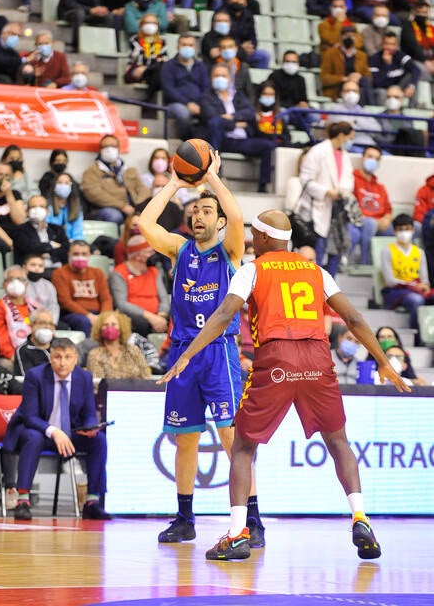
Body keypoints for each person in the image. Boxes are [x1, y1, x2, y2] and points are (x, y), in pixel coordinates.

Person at [160, 209, 410, 561]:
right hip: (318, 359)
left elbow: (222, 315)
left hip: (277, 359)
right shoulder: (316, 270)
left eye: (252, 237)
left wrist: (187, 355)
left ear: (261, 239)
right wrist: (383, 360)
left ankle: (236, 534)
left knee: (243, 448)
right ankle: (360, 516)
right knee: (338, 441)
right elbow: (353, 318)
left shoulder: (252, 269)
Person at [139, 153, 266, 548]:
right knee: (185, 440)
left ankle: (254, 519)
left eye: (207, 211)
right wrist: (176, 185)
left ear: (220, 221)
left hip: (219, 352)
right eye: (195, 211)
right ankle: (184, 517)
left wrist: (211, 178)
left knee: (232, 440)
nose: (198, 216)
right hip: (182, 354)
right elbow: (144, 223)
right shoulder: (180, 250)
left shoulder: (229, 252)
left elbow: (238, 217)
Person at [3, 337, 112, 521]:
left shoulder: (83, 377)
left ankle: (92, 502)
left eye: (68, 357)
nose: (62, 362)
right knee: (33, 437)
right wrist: (54, 431)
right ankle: (23, 500)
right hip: (40, 430)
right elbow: (30, 417)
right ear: (50, 358)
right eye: (57, 357)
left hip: (69, 433)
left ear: (75, 359)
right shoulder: (35, 376)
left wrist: (90, 427)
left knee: (99, 439)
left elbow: (89, 413)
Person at [200, 63, 275, 193]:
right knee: (215, 125)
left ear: (229, 78)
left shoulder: (238, 95)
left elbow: (250, 112)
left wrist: (231, 116)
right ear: (211, 78)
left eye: (223, 75)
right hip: (222, 140)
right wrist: (237, 123)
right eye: (217, 75)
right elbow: (212, 119)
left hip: (243, 140)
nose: (220, 78)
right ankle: (217, 174)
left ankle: (264, 186)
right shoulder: (206, 97)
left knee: (267, 145)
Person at [298, 121, 355, 277]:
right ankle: (313, 282)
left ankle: (330, 288)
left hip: (338, 209)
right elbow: (306, 179)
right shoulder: (318, 151)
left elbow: (349, 179)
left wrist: (342, 191)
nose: (351, 141)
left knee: (336, 248)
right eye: (350, 137)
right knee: (319, 247)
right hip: (318, 206)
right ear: (341, 135)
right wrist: (326, 192)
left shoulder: (344, 155)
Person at [380, 213, 434, 343]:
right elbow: (390, 280)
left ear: (413, 230)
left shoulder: (419, 252)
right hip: (396, 291)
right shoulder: (387, 251)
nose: (404, 232)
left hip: (416, 288)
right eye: (400, 229)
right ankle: (417, 337)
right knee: (417, 300)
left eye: (407, 229)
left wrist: (425, 285)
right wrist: (414, 286)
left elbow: (425, 279)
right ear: (394, 231)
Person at [81, 134, 150, 224]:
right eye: (106, 146)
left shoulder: (129, 170)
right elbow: (94, 194)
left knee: (150, 212)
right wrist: (122, 206)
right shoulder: (92, 171)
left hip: (133, 207)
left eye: (113, 146)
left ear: (118, 149)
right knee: (114, 216)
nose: (109, 149)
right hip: (107, 208)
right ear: (100, 150)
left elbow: (143, 189)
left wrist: (138, 206)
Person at [110, 234, 170, 337]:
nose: (153, 255)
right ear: (137, 255)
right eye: (149, 252)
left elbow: (164, 297)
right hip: (136, 317)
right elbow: (122, 304)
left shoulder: (154, 272)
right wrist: (150, 317)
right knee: (140, 323)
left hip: (158, 316)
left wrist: (162, 315)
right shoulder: (119, 273)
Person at [52, 240, 113, 336]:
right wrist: (88, 316)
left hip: (98, 312)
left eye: (84, 254)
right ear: (69, 255)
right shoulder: (59, 273)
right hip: (73, 314)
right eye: (76, 254)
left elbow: (106, 299)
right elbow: (65, 301)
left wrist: (103, 317)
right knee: (84, 322)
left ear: (89, 255)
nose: (80, 257)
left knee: (116, 320)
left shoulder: (98, 272)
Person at [161, 33, 210, 140]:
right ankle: (186, 142)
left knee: (212, 113)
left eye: (190, 45)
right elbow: (169, 90)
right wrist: (187, 104)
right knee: (183, 114)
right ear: (178, 47)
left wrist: (200, 104)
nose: (187, 48)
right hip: (175, 104)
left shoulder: (201, 66)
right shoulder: (168, 66)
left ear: (195, 47)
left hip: (199, 104)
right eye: (184, 45)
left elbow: (206, 88)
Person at [349, 146, 393, 265]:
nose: (372, 160)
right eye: (370, 156)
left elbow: (388, 209)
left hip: (378, 223)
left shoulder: (380, 187)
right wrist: (374, 221)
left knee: (398, 228)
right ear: (362, 158)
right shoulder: (351, 179)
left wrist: (387, 219)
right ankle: (365, 264)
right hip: (359, 220)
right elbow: (350, 205)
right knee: (370, 223)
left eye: (376, 158)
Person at [0, 265, 37, 363]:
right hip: (11, 357)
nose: (15, 283)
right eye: (11, 279)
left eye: (19, 279)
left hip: (36, 353)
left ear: (26, 284)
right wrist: (16, 357)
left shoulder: (33, 307)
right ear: (4, 284)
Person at [86, 309, 151, 383]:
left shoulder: (134, 350)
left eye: (113, 324)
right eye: (105, 325)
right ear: (100, 329)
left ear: (121, 328)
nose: (109, 328)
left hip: (134, 392)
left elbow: (146, 377)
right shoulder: (95, 354)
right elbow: (97, 383)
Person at [13, 193, 69, 268]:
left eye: (41, 206)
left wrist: (48, 254)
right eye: (33, 207)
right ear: (27, 212)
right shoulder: (20, 230)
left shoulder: (57, 229)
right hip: (31, 273)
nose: (37, 210)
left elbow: (66, 249)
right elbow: (30, 249)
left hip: (56, 269)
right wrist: (51, 245)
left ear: (48, 211)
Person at [320, 25, 372, 103]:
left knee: (365, 82)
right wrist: (345, 78)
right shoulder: (330, 53)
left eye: (352, 36)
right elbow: (324, 78)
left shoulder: (362, 55)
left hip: (358, 84)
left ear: (356, 38)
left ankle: (371, 109)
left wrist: (358, 76)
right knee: (360, 91)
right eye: (347, 36)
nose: (350, 38)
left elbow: (368, 75)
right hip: (339, 87)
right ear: (341, 37)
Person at [124, 12, 167, 99]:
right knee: (158, 70)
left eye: (154, 23)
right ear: (141, 25)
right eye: (147, 23)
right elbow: (138, 59)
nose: (150, 26)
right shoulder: (135, 40)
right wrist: (155, 61)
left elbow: (165, 59)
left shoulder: (162, 41)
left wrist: (153, 63)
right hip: (136, 70)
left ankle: (148, 97)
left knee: (158, 70)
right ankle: (149, 98)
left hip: (153, 71)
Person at [14, 307, 56, 376]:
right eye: (43, 323)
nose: (47, 327)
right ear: (32, 325)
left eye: (50, 324)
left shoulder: (60, 345)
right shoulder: (23, 350)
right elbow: (28, 378)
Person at [46, 172, 84, 241]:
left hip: (72, 244)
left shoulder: (76, 208)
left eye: (66, 183)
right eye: (60, 183)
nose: (63, 186)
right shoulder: (47, 206)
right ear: (54, 185)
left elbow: (78, 234)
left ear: (71, 187)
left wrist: (75, 244)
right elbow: (46, 231)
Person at [23, 254, 60, 324]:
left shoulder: (48, 285)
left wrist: (52, 323)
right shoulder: (20, 284)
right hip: (25, 321)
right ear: (24, 267)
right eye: (33, 265)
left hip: (46, 320)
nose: (37, 268)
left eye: (40, 266)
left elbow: (54, 306)